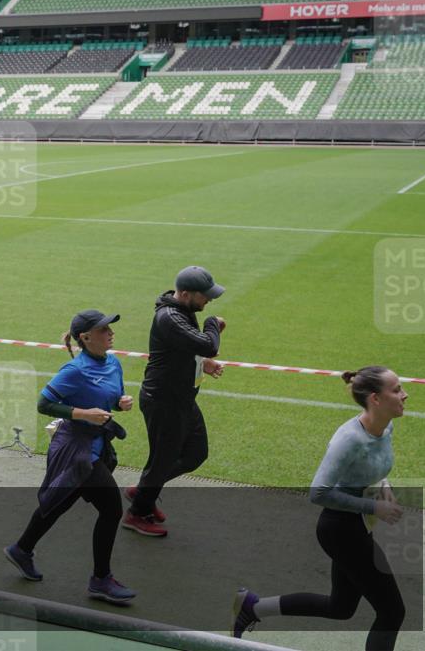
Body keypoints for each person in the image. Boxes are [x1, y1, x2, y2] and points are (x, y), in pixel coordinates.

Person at [231, 367, 408, 651]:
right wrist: (374, 505)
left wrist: (383, 487)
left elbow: (374, 467)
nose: (405, 394)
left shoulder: (386, 427)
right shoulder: (349, 440)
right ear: (375, 399)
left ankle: (253, 606)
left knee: (340, 607)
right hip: (340, 530)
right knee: (392, 611)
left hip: (359, 525)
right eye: (397, 389)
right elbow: (318, 492)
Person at [4, 310, 136, 605]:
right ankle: (101, 580)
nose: (111, 332)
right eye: (104, 329)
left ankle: (21, 549)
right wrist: (82, 414)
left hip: (97, 445)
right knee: (112, 509)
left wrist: (120, 402)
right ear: (86, 338)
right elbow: (43, 403)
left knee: (61, 501)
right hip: (77, 450)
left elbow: (109, 396)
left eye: (110, 328)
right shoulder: (75, 370)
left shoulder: (113, 362)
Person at [123, 265, 225, 537]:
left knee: (195, 453)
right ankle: (136, 513)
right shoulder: (169, 317)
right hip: (164, 401)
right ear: (185, 293)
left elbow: (189, 350)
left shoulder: (183, 311)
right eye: (205, 295)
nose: (209, 300)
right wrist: (213, 324)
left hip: (180, 399)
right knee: (162, 460)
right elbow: (207, 343)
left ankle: (144, 491)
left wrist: (204, 364)